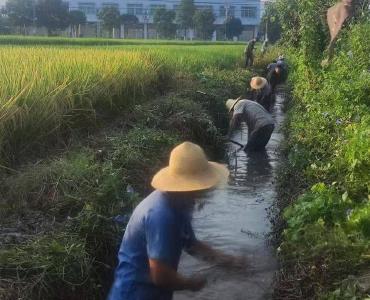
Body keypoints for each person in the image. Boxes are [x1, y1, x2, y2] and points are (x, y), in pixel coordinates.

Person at [108, 142, 245, 300]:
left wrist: (228, 261)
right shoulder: (161, 214)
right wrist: (190, 284)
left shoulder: (179, 203)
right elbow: (160, 275)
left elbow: (191, 245)